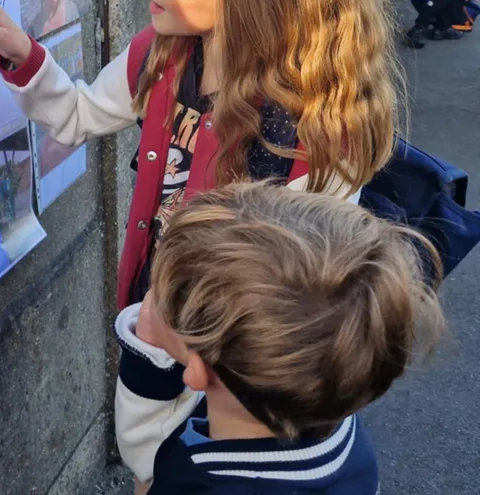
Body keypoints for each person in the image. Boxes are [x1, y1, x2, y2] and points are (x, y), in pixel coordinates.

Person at [0, 0, 399, 309]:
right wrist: (23, 54)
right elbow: (78, 115)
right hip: (149, 316)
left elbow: (303, 304)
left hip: (226, 363)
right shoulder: (161, 57)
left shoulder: (318, 129)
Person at [114, 182, 443, 494]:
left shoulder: (201, 480)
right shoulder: (339, 432)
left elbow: (149, 468)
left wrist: (146, 357)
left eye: (162, 294)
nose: (151, 295)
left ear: (198, 370)